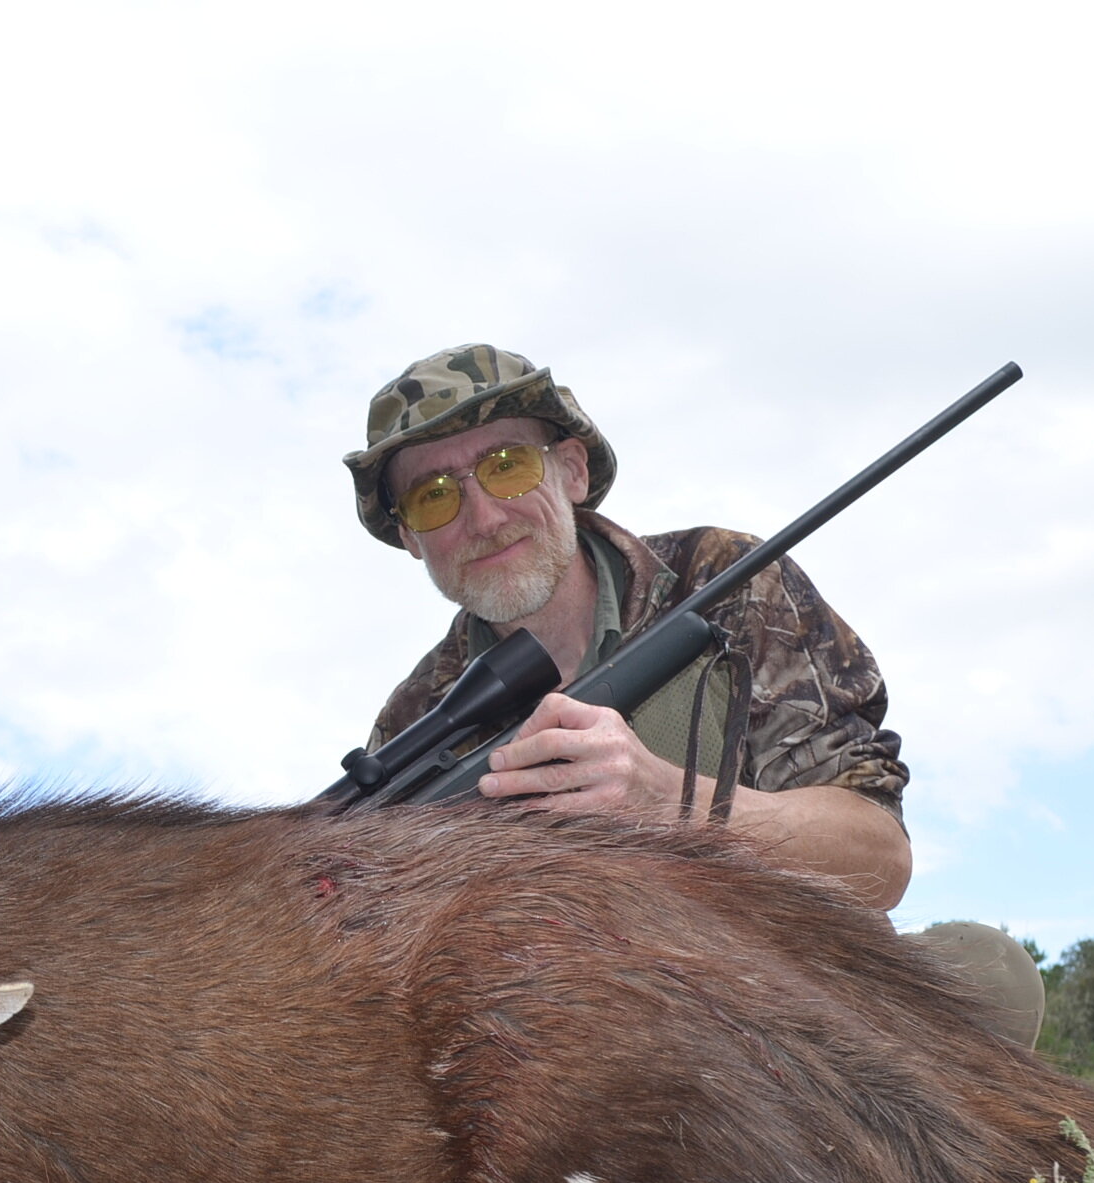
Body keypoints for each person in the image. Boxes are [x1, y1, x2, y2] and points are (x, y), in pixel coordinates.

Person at [344, 343, 1045, 1045]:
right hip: (577, 1045)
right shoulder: (412, 730)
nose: (484, 516)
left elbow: (877, 860)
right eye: (434, 496)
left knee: (990, 975)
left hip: (786, 998)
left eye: (507, 466)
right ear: (409, 537)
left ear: (573, 470)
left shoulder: (731, 582)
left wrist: (670, 802)